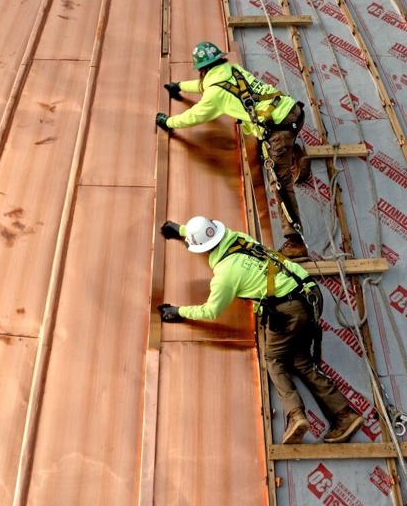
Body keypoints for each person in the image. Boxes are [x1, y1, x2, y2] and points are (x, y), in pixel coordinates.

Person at [157, 216, 365, 445]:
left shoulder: (225, 276)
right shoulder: (238, 238)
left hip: (289, 310)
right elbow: (204, 233)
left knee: (273, 358)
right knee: (300, 360)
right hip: (310, 294)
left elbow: (210, 312)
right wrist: (180, 230)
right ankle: (345, 415)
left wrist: (177, 312)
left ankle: (296, 416)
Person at [155, 41, 311, 260]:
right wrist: (180, 86)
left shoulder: (214, 94)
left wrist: (168, 121)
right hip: (292, 112)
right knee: (273, 144)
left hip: (278, 131)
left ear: (202, 69)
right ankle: (294, 153)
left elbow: (195, 115)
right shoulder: (232, 70)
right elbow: (206, 86)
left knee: (280, 182)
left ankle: (295, 243)